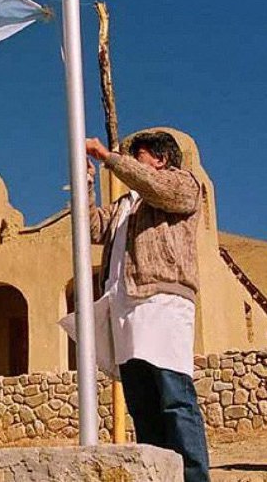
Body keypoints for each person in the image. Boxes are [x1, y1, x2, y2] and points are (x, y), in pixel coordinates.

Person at [85, 131, 209, 482]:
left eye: (135, 156)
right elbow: (93, 228)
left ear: (161, 159)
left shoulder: (184, 185)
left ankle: (194, 477)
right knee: (142, 405)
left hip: (163, 302)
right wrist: (87, 183)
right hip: (125, 307)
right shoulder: (126, 205)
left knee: (174, 398)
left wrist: (108, 157)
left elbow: (157, 188)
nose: (127, 162)